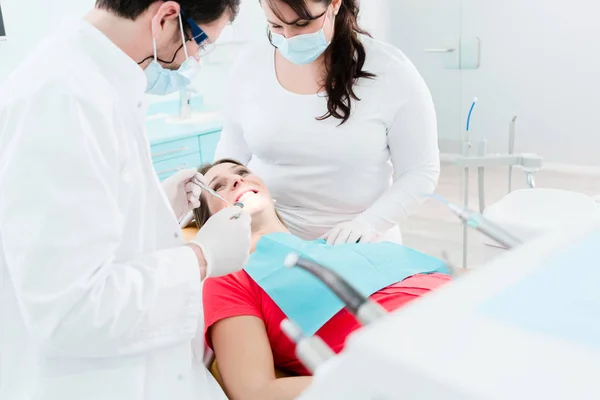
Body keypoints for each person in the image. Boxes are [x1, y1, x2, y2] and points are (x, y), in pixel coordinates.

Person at [0, 1, 250, 399]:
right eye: (200, 42)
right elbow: (71, 313)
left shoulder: (98, 81)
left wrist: (155, 208)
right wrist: (202, 257)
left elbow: (89, 229)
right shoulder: (64, 97)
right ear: (166, 17)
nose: (196, 57)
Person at [194, 159, 452, 400]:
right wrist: (381, 382)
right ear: (208, 222)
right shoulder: (229, 277)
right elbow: (256, 391)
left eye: (243, 173)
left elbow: (456, 276)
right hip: (420, 361)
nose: (237, 181)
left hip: (464, 315)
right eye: (219, 186)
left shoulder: (342, 245)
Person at [214, 0, 440, 245]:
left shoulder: (391, 70)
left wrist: (369, 224)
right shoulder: (249, 65)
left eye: (302, 23)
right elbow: (231, 151)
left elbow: (420, 171)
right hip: (270, 240)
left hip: (364, 242)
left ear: (334, 4)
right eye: (276, 26)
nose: (289, 38)